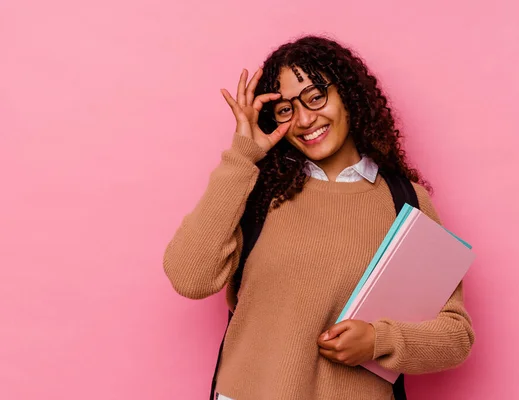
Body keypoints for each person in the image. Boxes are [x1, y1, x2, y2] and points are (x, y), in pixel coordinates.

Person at [163, 35, 475, 400]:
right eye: (285, 109)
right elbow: (189, 277)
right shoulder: (258, 191)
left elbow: (456, 336)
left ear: (348, 96)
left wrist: (379, 340)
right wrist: (242, 155)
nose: (305, 119)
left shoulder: (403, 200)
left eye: (315, 97)